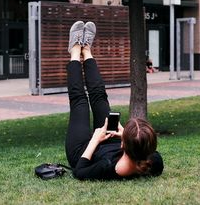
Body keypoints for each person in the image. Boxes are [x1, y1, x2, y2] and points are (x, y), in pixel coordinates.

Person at [65, 21, 164, 180]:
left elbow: (79, 171)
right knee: (100, 97)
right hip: (111, 143)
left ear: (124, 144)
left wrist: (96, 139)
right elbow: (149, 152)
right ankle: (87, 51)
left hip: (83, 150)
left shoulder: (109, 166)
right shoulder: (154, 162)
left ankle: (75, 51)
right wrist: (125, 134)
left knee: (80, 102)